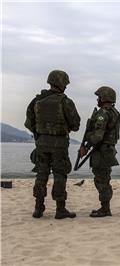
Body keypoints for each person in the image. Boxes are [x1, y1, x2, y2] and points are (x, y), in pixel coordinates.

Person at [24, 70, 80, 219]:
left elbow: (29, 122)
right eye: (65, 84)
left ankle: (38, 208)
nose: (66, 87)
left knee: (41, 174)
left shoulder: (36, 101)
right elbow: (76, 124)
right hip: (59, 144)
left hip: (41, 143)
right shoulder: (65, 101)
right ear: (61, 83)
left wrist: (39, 134)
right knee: (60, 175)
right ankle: (60, 209)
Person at [79, 86, 120, 217]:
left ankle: (105, 209)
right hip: (108, 150)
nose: (97, 99)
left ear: (104, 98)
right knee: (105, 180)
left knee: (101, 181)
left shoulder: (103, 113)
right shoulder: (115, 112)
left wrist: (86, 145)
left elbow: (98, 136)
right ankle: (105, 207)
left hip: (102, 151)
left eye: (99, 97)